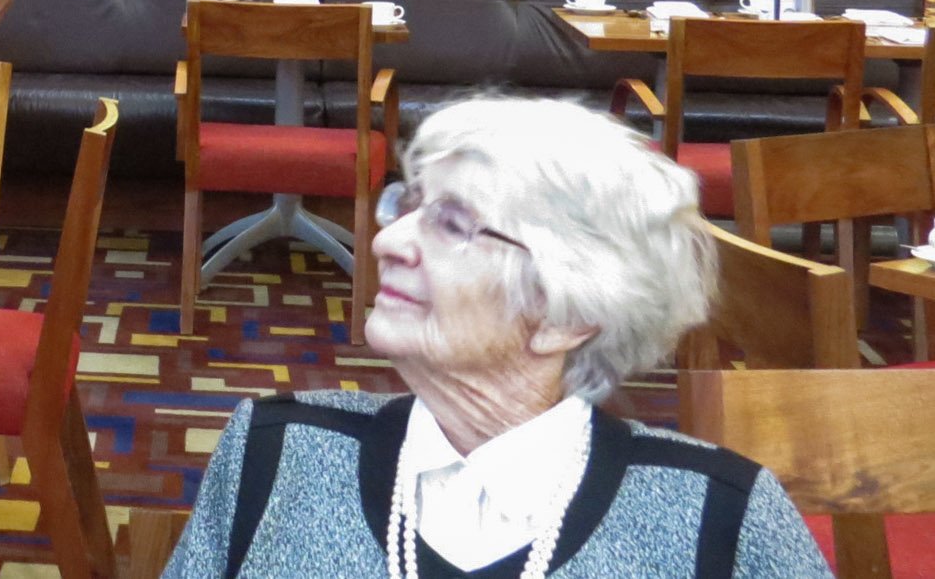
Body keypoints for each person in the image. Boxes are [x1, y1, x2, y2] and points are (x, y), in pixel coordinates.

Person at [164, 98, 831, 579]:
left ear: (562, 316)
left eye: (452, 223)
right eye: (408, 203)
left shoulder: (716, 516)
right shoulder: (276, 451)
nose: (387, 239)